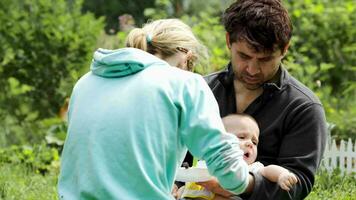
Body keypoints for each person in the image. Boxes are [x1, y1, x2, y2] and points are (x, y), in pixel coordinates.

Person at [57, 19, 255, 200]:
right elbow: (221, 157)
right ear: (187, 58)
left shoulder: (85, 82)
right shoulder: (185, 82)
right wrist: (247, 181)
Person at [183, 0, 327, 199]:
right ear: (228, 41)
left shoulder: (302, 107)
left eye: (265, 59)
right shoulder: (198, 90)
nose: (252, 69)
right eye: (243, 56)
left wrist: (241, 184)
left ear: (285, 49)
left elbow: (298, 183)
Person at [180, 114, 298, 200]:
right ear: (218, 141)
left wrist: (282, 175)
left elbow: (269, 170)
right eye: (241, 137)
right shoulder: (206, 163)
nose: (250, 143)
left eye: (254, 142)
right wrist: (178, 189)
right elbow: (187, 184)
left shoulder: (249, 169)